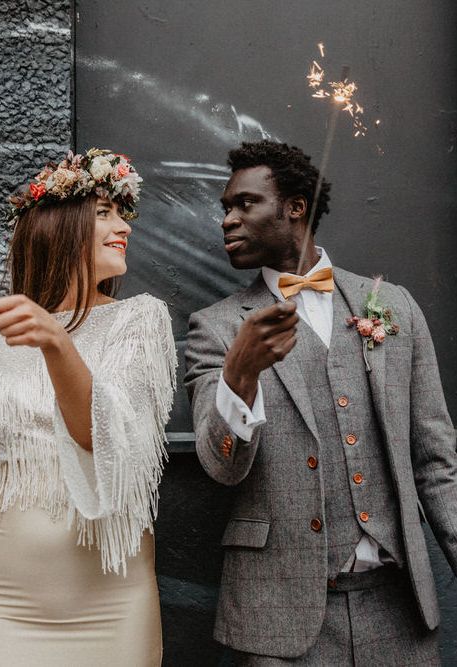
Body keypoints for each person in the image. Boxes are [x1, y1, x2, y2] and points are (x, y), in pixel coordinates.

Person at [185, 139, 456, 664]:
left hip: (400, 612)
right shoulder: (215, 328)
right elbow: (220, 465)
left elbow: (438, 462)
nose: (227, 220)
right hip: (281, 623)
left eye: (245, 204)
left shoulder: (392, 305)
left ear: (294, 207)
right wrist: (239, 371)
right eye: (226, 208)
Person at [0, 148, 176, 667]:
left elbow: (104, 440)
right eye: (104, 213)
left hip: (110, 601)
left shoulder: (143, 321)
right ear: (59, 226)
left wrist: (58, 345)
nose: (122, 226)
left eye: (121, 213)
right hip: (5, 600)